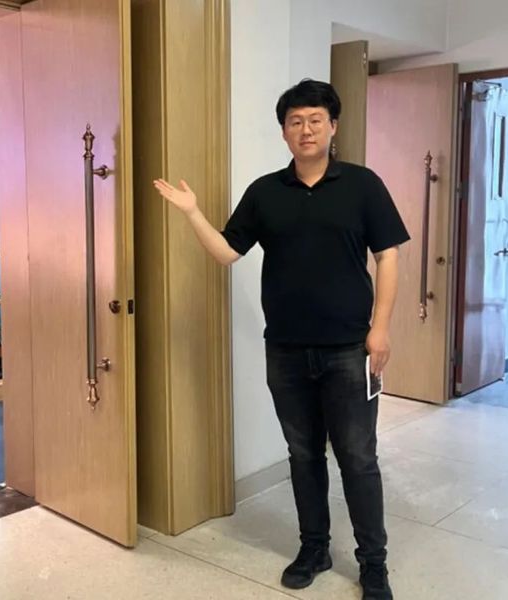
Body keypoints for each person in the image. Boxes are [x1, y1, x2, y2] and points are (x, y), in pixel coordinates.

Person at [153, 79, 408, 600]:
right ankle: (314, 548)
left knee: (358, 458)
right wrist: (192, 212)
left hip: (349, 349)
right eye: (295, 121)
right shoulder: (265, 192)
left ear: (333, 126)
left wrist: (380, 328)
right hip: (286, 350)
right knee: (303, 454)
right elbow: (228, 253)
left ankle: (373, 564)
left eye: (315, 120)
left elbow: (388, 256)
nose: (305, 129)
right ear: (284, 132)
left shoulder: (363, 185)